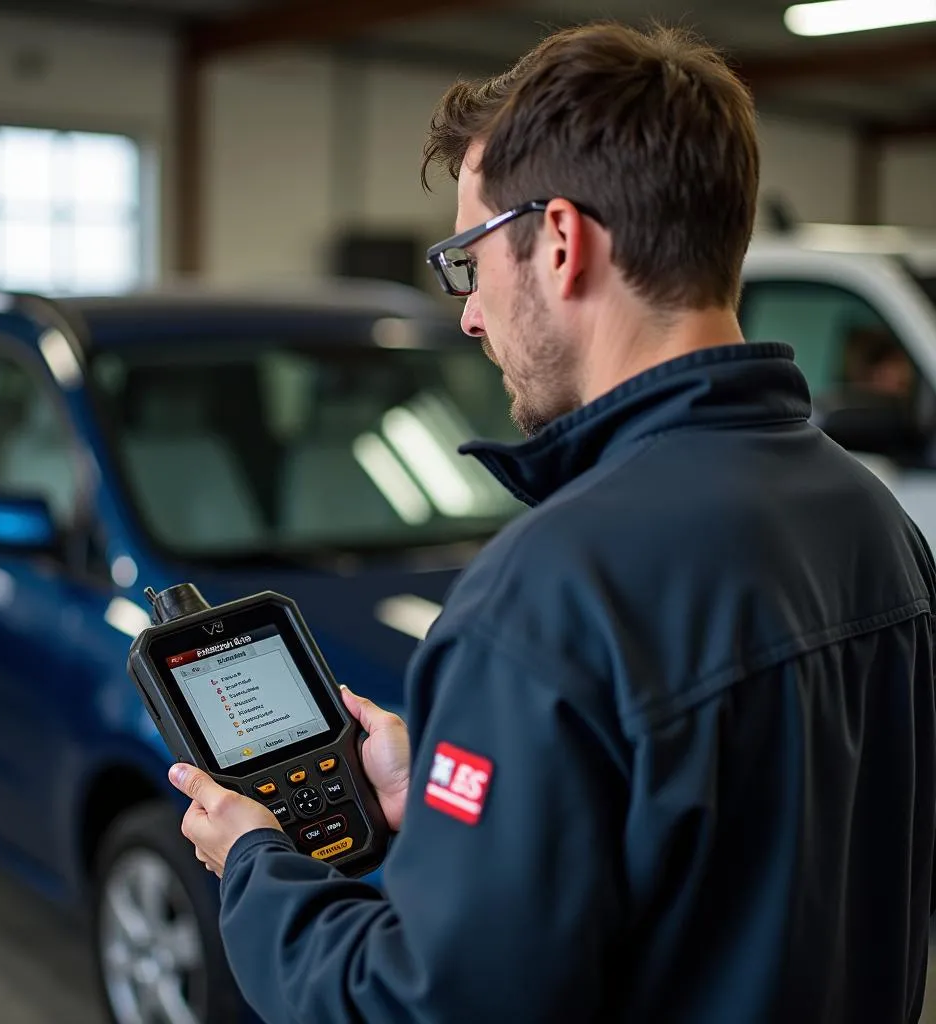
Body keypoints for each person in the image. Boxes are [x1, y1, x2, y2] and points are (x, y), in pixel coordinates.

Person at [169, 21, 936, 1023]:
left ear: (562, 242)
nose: (469, 315)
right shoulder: (876, 526)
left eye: (468, 259)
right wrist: (455, 814)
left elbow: (415, 1009)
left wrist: (258, 866)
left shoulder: (547, 592)